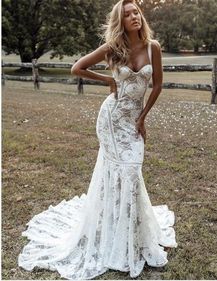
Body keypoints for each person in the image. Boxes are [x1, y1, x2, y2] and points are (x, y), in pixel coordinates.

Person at [18, 0, 177, 279]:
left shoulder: (153, 47)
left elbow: (158, 84)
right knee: (123, 170)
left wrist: (143, 119)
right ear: (121, 21)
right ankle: (115, 230)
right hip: (111, 121)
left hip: (133, 120)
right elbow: (77, 68)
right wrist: (107, 81)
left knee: (131, 170)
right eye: (127, 15)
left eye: (136, 12)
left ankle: (130, 229)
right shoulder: (114, 49)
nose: (134, 17)